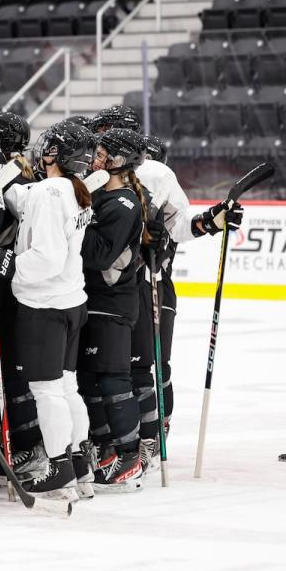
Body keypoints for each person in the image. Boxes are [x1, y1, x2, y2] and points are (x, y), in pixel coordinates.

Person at [0, 121, 95, 503]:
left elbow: (46, 256)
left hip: (44, 304)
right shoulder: (73, 191)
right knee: (66, 386)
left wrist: (7, 261)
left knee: (47, 392)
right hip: (71, 301)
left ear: (55, 155)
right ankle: (80, 466)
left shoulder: (50, 192)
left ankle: (59, 467)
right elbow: (26, 202)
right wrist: (0, 180)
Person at [131, 133, 243, 472]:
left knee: (156, 364)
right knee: (126, 366)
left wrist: (211, 221)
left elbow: (184, 224)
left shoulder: (164, 192)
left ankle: (155, 429)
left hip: (157, 285)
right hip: (126, 288)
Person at [77, 127, 149, 493]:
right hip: (90, 301)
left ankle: (129, 455)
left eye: (104, 154)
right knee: (89, 379)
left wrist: (79, 219)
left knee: (113, 380)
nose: (95, 159)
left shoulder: (123, 204)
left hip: (112, 304)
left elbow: (100, 254)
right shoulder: (100, 196)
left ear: (120, 161)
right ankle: (107, 448)